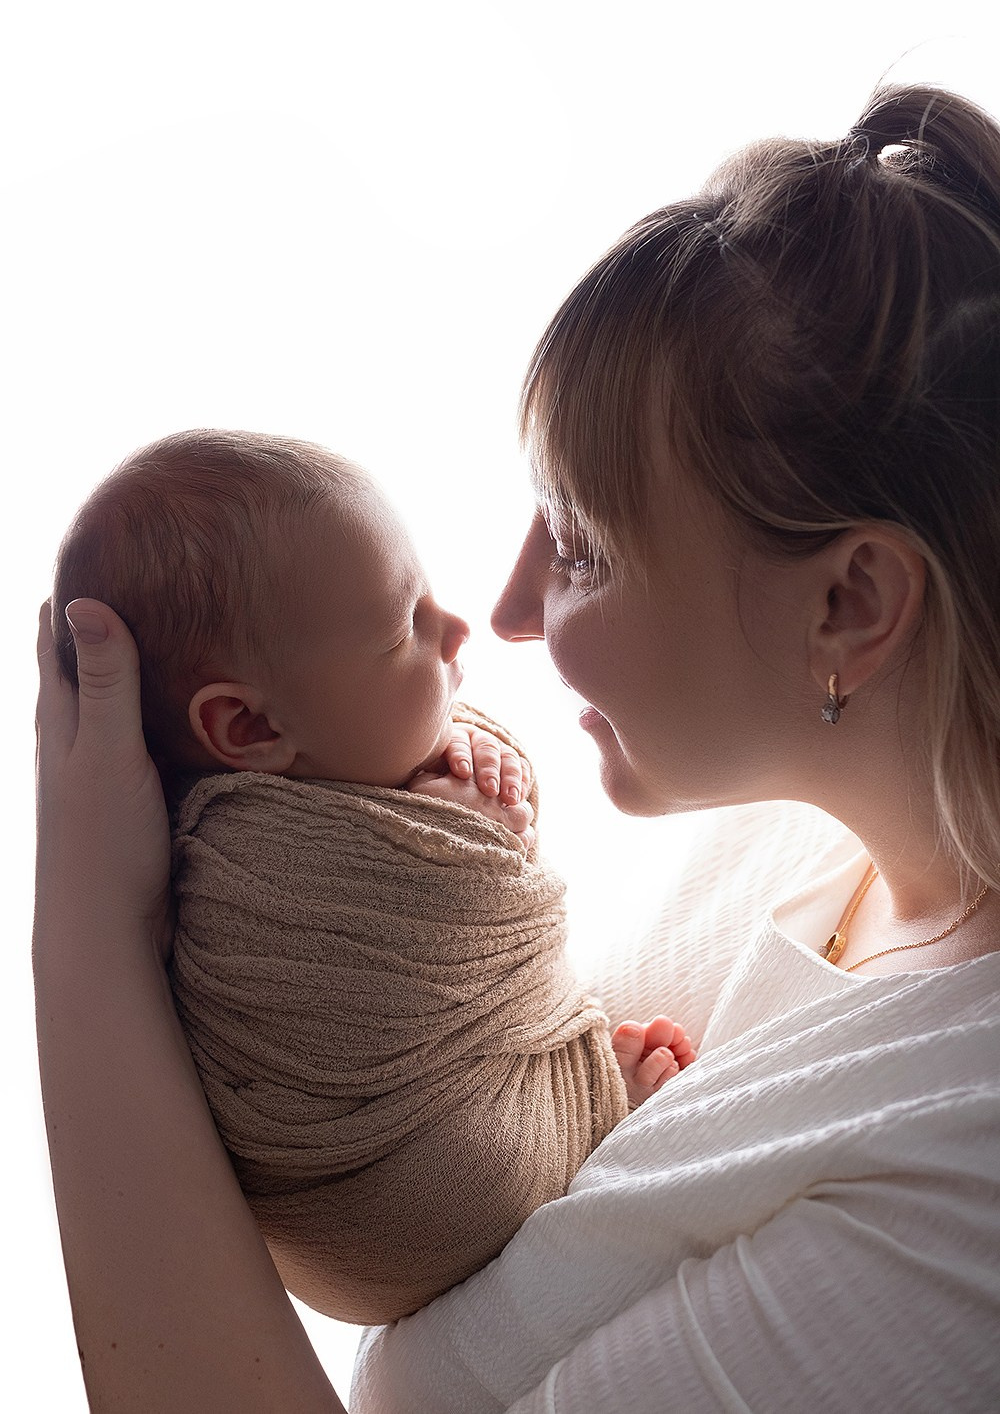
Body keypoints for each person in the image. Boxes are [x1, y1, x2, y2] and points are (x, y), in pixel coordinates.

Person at [34, 80, 1000, 1411]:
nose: (507, 612)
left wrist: (85, 935)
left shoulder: (962, 1195)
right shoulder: (781, 835)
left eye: (586, 545)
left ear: (850, 605)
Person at [48, 429, 693, 1327]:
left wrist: (467, 789)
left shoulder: (335, 763)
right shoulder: (254, 870)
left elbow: (444, 783)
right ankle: (586, 1114)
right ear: (244, 730)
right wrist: (478, 831)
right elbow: (457, 899)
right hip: (402, 1199)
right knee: (475, 1169)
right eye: (405, 631)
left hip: (346, 1244)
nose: (458, 628)